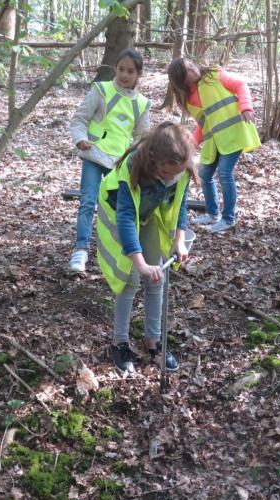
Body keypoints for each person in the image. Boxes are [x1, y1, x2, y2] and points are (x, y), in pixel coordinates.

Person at [96, 122, 196, 372]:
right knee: (128, 281)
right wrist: (139, 263)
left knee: (156, 279)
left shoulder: (181, 167)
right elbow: (127, 218)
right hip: (120, 217)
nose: (173, 178)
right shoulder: (132, 169)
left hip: (149, 216)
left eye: (177, 172)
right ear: (155, 162)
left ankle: (154, 340)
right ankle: (120, 342)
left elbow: (181, 202)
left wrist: (179, 240)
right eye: (167, 172)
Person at [67, 48, 151, 273]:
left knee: (119, 208)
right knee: (87, 201)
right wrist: (80, 139)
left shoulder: (142, 103)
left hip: (120, 165)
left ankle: (117, 253)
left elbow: (143, 137)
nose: (124, 75)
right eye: (121, 69)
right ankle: (81, 250)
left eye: (130, 71)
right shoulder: (101, 90)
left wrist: (139, 161)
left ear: (138, 74)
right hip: (94, 155)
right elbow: (79, 119)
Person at [167, 58, 261, 233]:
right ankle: (212, 213)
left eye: (191, 65)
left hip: (234, 132)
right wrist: (191, 144)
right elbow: (205, 124)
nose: (193, 69)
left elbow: (241, 85)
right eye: (187, 70)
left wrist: (246, 107)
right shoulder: (188, 99)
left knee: (225, 172)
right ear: (180, 79)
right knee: (204, 173)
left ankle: (228, 218)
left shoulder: (214, 75)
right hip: (215, 141)